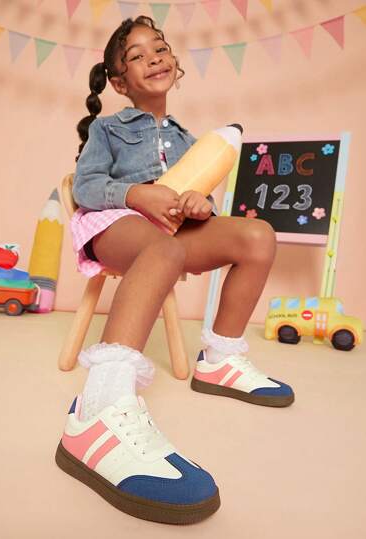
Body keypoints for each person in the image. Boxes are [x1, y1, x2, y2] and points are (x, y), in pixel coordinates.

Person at [55, 15, 294, 525]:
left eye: (159, 49)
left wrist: (200, 204)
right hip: (116, 224)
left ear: (175, 62)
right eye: (137, 56)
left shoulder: (190, 139)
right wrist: (137, 195)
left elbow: (198, 200)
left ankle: (221, 359)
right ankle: (98, 409)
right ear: (119, 81)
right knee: (162, 251)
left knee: (257, 235)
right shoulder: (107, 128)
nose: (153, 59)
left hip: (173, 234)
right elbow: (86, 185)